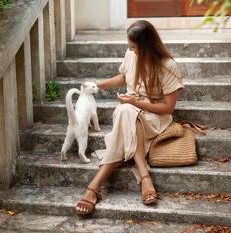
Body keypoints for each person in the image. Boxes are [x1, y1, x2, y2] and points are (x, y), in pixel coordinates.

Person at [76, 20, 184, 215]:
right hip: (128, 110)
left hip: (154, 116)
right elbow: (124, 78)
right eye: (129, 47)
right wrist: (97, 85)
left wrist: (134, 103)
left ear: (146, 46)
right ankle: (145, 177)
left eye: (134, 47)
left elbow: (168, 108)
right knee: (126, 113)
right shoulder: (130, 55)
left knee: (127, 112)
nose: (131, 51)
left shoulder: (167, 66)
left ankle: (94, 186)